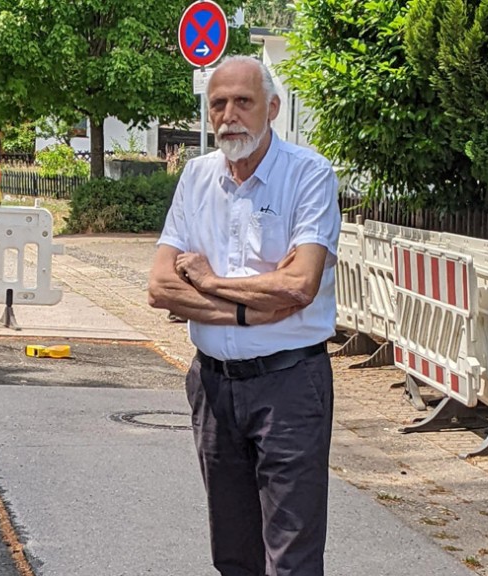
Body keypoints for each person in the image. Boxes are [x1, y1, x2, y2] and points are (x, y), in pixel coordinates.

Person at [147, 55, 340, 576]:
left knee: (291, 558)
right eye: (218, 104)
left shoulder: (309, 175)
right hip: (213, 387)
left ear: (272, 108)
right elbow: (161, 286)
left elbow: (300, 284)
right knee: (232, 555)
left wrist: (210, 284)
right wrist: (248, 309)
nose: (229, 115)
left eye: (243, 101)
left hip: (290, 387)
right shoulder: (196, 176)